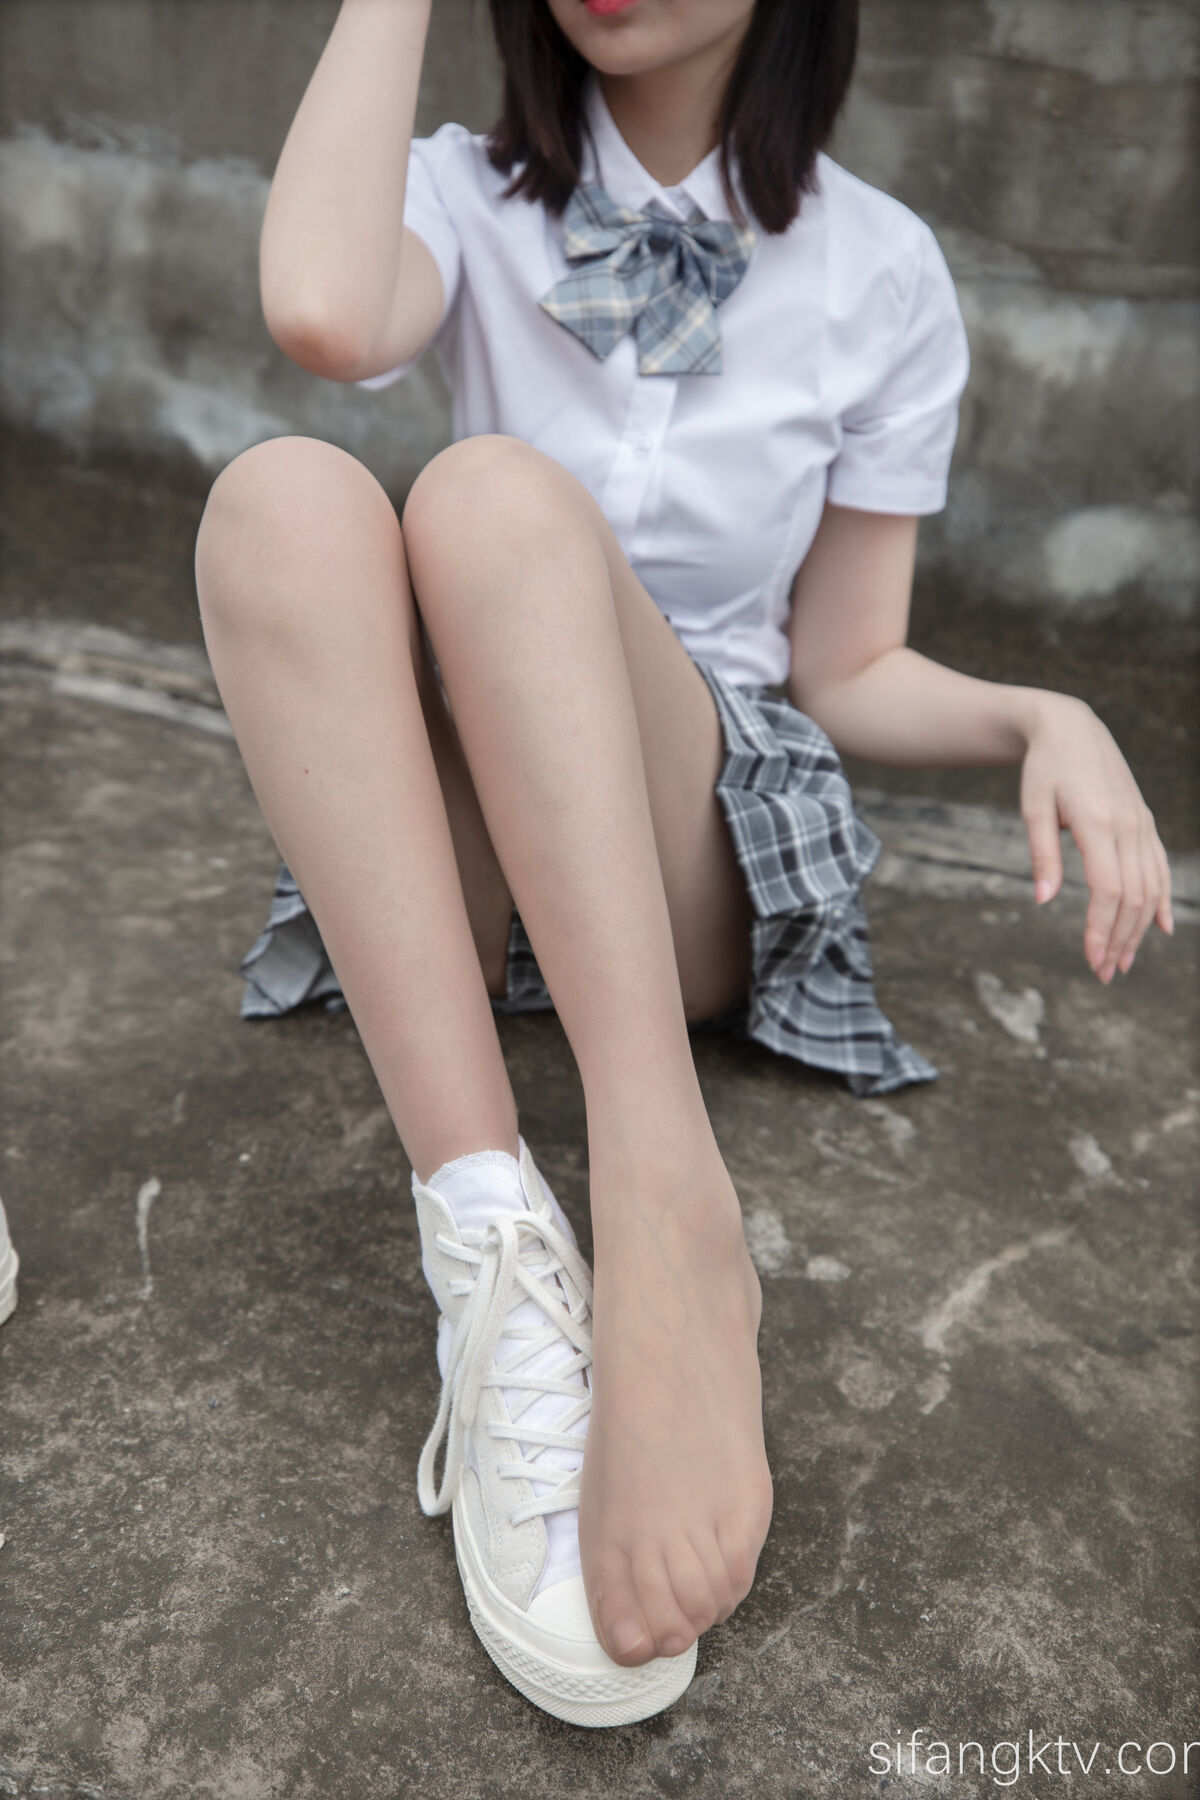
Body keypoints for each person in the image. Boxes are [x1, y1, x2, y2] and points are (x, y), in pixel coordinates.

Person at [193, 0, 1174, 1728]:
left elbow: (846, 664)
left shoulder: (877, 267)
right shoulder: (461, 194)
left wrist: (1044, 711)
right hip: (466, 871)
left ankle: (664, 1207)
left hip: (689, 836)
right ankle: (491, 1242)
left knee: (490, 498)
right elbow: (326, 316)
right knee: (281, 499)